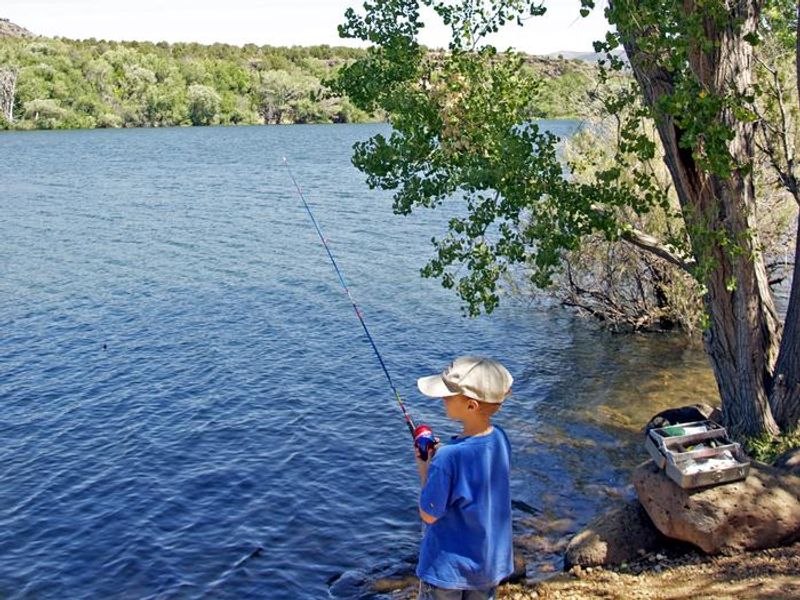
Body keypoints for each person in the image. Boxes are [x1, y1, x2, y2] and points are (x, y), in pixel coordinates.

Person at [414, 355, 514, 600]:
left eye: (448, 396)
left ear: (471, 405)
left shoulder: (447, 457)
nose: (442, 400)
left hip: (447, 570)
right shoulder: (500, 438)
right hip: (488, 564)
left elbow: (429, 514)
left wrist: (425, 467)